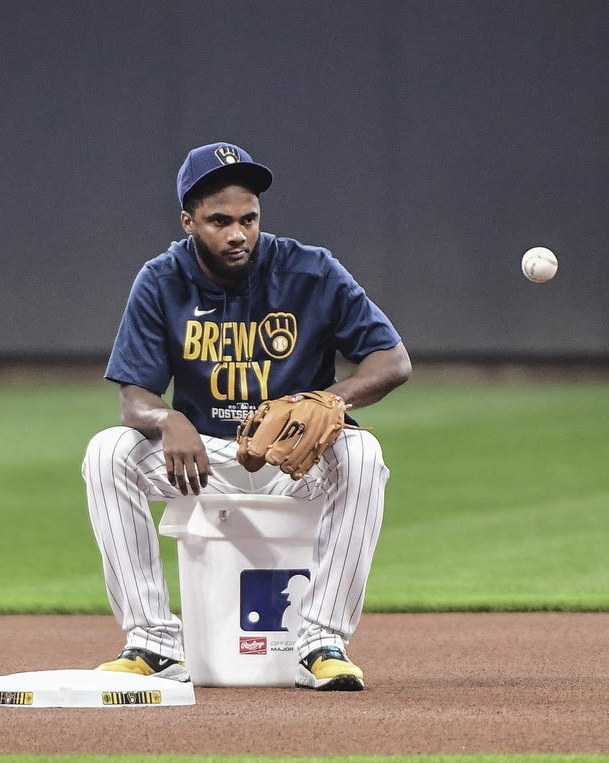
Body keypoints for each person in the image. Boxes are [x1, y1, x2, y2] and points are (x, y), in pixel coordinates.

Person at [82, 141, 411, 691]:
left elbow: (393, 360)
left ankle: (322, 641)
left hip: (293, 458)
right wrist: (167, 421)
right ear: (188, 221)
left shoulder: (312, 270)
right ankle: (153, 643)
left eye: (248, 218)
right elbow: (133, 397)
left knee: (363, 453)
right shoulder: (160, 279)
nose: (238, 233)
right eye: (219, 220)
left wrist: (332, 400)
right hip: (202, 460)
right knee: (107, 451)